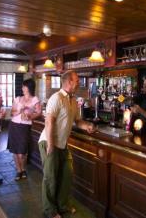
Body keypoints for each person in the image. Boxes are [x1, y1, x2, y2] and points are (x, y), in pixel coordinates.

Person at [38, 70, 95, 218]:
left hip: (62, 145)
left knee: (66, 175)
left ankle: (62, 206)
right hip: (49, 142)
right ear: (69, 82)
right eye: (76, 80)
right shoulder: (56, 98)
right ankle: (50, 211)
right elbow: (49, 121)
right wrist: (51, 144)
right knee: (50, 178)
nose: (78, 83)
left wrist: (87, 126)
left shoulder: (74, 100)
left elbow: (78, 121)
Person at [8, 78, 42, 181]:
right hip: (14, 125)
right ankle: (19, 171)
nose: (22, 88)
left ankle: (23, 169)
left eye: (24, 86)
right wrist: (19, 110)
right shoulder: (18, 98)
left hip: (24, 127)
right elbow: (12, 113)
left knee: (22, 151)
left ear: (29, 87)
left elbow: (39, 113)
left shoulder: (35, 99)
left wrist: (30, 117)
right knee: (15, 150)